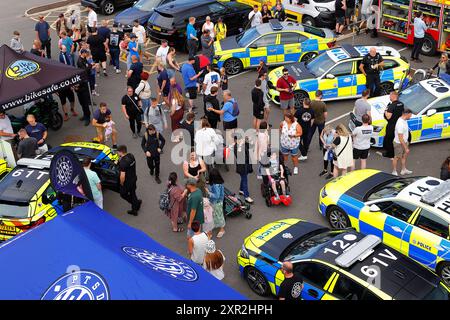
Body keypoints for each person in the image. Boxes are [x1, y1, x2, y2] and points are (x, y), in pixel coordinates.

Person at [117, 145, 142, 216]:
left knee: (123, 194)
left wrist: (121, 183)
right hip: (133, 178)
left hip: (127, 182)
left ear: (121, 152)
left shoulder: (123, 162)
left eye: (118, 152)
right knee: (132, 193)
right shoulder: (131, 156)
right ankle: (136, 203)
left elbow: (122, 176)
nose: (117, 153)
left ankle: (135, 205)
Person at [383, 91, 404, 158]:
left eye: (390, 96)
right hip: (398, 124)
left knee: (389, 139)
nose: (389, 97)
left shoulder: (391, 106)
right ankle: (397, 151)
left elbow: (388, 117)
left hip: (391, 125)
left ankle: (390, 154)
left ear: (393, 96)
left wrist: (386, 110)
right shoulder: (401, 104)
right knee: (396, 139)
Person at [233, 133, 254, 203]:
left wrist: (247, 141)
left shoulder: (243, 144)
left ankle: (241, 190)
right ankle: (246, 196)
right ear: (236, 140)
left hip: (246, 165)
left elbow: (250, 147)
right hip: (242, 167)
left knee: (243, 178)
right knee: (245, 180)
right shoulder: (236, 147)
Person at [392, 109, 413, 176]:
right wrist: (406, 148)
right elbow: (400, 138)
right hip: (399, 143)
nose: (410, 117)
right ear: (406, 114)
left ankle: (403, 170)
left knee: (404, 156)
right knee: (397, 157)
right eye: (410, 115)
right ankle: (394, 171)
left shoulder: (404, 120)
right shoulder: (400, 123)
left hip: (404, 142)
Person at [280, 111, 301, 175]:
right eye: (285, 118)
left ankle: (295, 167)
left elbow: (300, 133)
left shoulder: (296, 125)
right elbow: (280, 129)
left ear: (291, 118)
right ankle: (284, 166)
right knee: (285, 156)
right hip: (284, 144)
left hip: (294, 144)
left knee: (294, 157)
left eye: (287, 118)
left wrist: (294, 135)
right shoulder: (282, 123)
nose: (285, 119)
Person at [76, 49, 93, 126]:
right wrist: (90, 66)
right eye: (86, 53)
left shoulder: (84, 59)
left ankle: (87, 118)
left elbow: (87, 66)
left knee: (85, 103)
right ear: (83, 53)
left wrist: (89, 66)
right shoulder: (80, 61)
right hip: (81, 84)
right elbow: (85, 70)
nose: (87, 55)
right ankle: (85, 115)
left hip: (84, 85)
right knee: (82, 103)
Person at [207, 168, 225, 238]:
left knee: (218, 215)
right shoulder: (220, 182)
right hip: (219, 201)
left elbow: (216, 196)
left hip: (216, 202)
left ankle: (222, 229)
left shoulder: (215, 185)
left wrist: (209, 193)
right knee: (216, 215)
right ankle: (219, 228)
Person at [168, 77, 184, 142]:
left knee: (175, 125)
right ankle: (180, 134)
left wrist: (171, 114)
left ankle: (176, 138)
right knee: (179, 123)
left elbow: (173, 109)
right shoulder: (180, 97)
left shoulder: (174, 100)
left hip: (176, 113)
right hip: (180, 111)